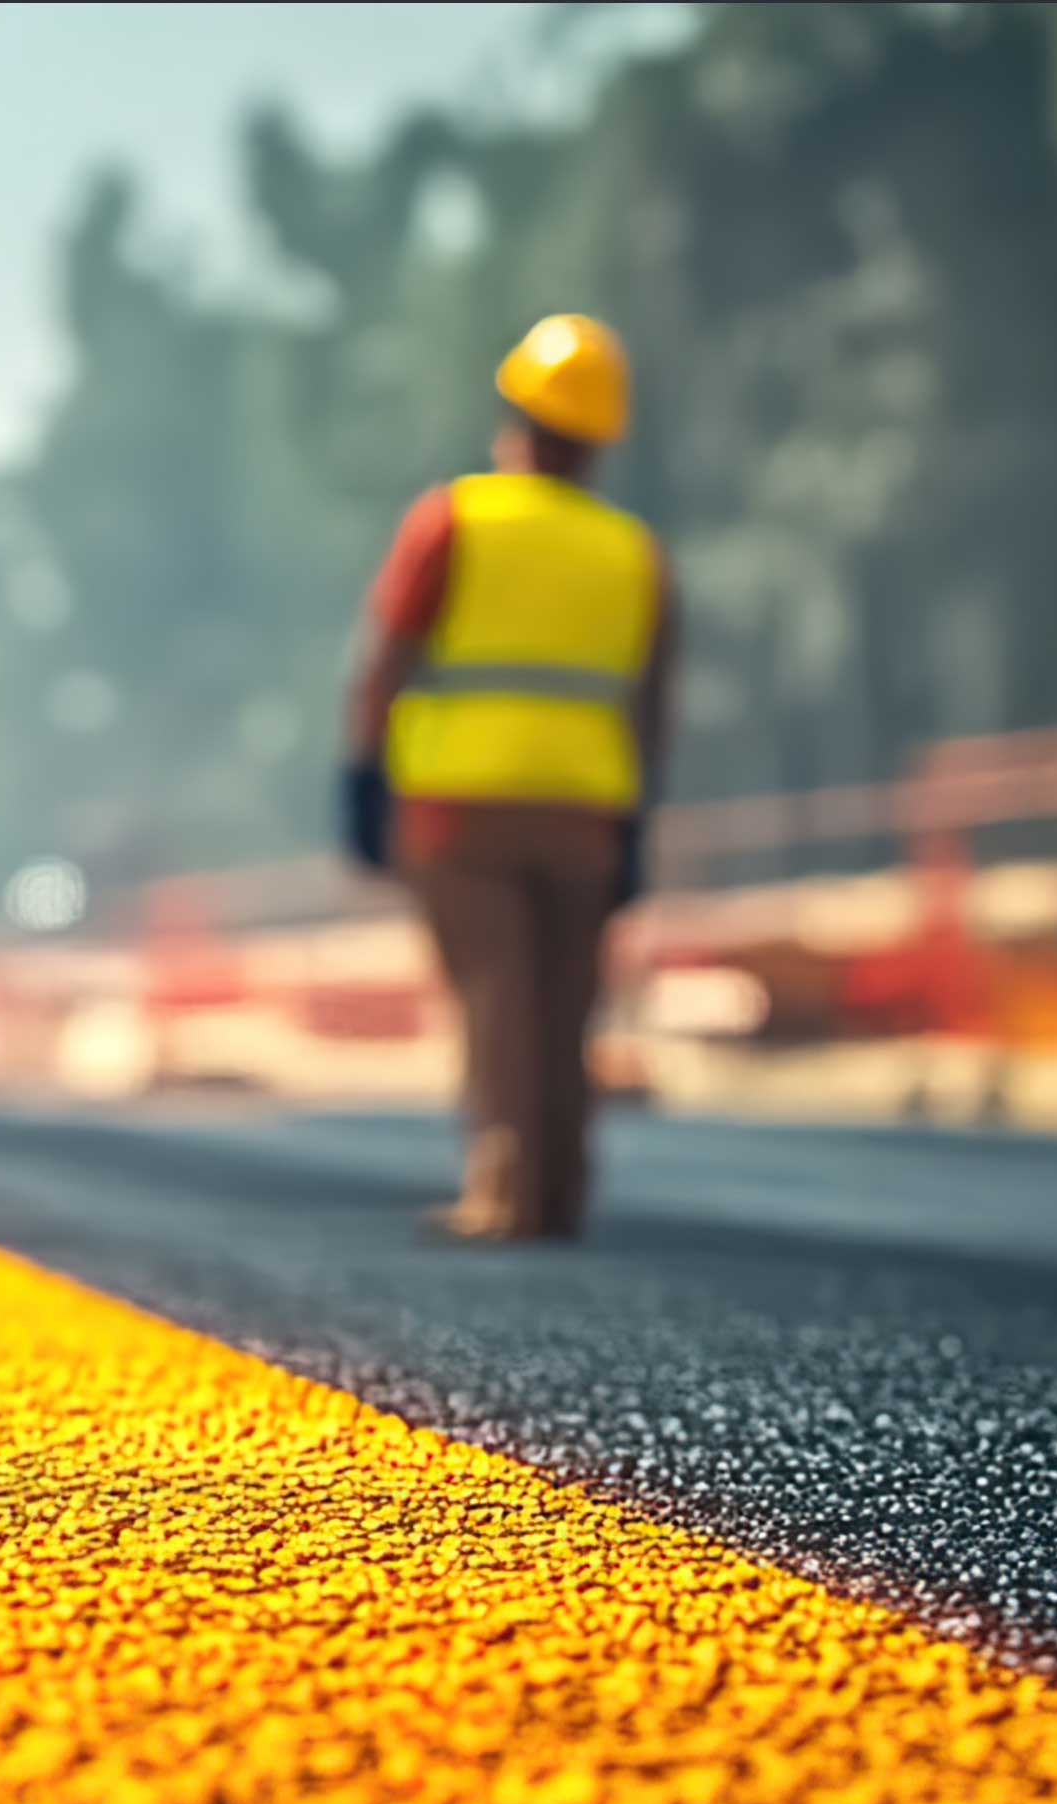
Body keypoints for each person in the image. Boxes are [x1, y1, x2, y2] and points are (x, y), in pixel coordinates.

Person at [338, 314, 677, 1243]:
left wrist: (363, 779)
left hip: (462, 808)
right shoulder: (632, 554)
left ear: (517, 419)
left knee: (495, 989)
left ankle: (505, 1193)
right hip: (585, 809)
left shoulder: (454, 521)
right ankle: (561, 1188)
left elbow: (383, 663)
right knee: (566, 1001)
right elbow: (651, 705)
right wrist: (639, 819)